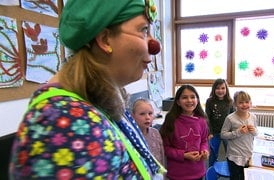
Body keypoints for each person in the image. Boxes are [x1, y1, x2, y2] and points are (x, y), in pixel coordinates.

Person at [9, 0, 166, 179]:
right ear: (105, 39)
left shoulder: (99, 102)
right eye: (143, 30)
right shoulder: (65, 122)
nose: (154, 46)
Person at [159, 84, 209, 180]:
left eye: (193, 97)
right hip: (178, 174)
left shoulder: (202, 120)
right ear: (178, 102)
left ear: (197, 100)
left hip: (197, 171)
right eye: (185, 97)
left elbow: (203, 140)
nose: (189, 100)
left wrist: (204, 151)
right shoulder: (171, 121)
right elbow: (165, 148)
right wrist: (183, 155)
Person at [221, 91, 258, 180]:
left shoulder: (253, 117)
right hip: (234, 155)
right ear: (235, 104)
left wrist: (254, 131)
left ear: (250, 103)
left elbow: (256, 133)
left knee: (246, 177)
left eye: (246, 102)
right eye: (241, 102)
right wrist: (238, 132)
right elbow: (223, 135)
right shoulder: (230, 118)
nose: (244, 105)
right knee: (235, 177)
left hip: (248, 153)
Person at [205, 78, 234, 165]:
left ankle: (231, 171)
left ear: (226, 89)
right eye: (217, 88)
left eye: (223, 88)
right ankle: (211, 172)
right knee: (213, 155)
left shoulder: (230, 101)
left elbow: (233, 118)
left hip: (227, 133)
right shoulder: (210, 101)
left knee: (230, 154)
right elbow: (207, 118)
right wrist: (209, 132)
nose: (220, 90)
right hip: (214, 133)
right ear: (214, 89)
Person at [131, 98, 166, 167]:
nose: (147, 117)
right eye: (142, 114)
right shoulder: (131, 137)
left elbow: (162, 156)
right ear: (133, 116)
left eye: (150, 113)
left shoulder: (155, 133)